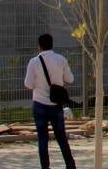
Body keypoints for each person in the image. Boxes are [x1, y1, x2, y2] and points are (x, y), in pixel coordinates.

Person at [24, 33, 76, 169]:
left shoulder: (34, 62)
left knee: (42, 138)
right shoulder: (61, 59)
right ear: (52, 44)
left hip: (39, 104)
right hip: (56, 105)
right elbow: (70, 79)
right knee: (61, 138)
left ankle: (45, 167)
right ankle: (70, 165)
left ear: (39, 46)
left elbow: (28, 84)